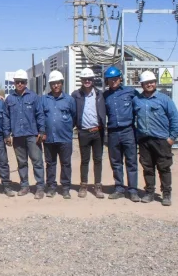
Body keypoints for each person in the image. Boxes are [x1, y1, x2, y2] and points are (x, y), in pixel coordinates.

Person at [133, 71, 178, 206]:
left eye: (151, 82)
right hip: (144, 140)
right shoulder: (137, 100)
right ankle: (149, 192)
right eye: (146, 83)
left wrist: (172, 138)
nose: (149, 84)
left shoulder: (164, 99)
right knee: (147, 168)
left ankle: (166, 194)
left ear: (155, 83)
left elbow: (175, 119)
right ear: (142, 84)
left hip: (161, 140)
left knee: (164, 167)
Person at [5, 69, 46, 199]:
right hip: (17, 135)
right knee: (21, 162)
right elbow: (6, 117)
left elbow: (40, 115)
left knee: (37, 161)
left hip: (32, 135)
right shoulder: (10, 99)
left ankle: (40, 187)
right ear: (14, 83)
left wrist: (42, 131)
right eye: (17, 82)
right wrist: (7, 134)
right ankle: (24, 186)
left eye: (22, 82)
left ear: (26, 83)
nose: (20, 84)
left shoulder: (33, 97)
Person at [103, 66, 140, 202]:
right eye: (110, 80)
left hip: (128, 131)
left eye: (115, 79)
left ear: (120, 79)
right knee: (116, 162)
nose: (113, 82)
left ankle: (133, 190)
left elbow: (139, 109)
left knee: (131, 161)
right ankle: (119, 188)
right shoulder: (105, 96)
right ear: (107, 81)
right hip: (113, 132)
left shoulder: (130, 92)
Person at [71, 67, 106, 199]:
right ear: (81, 80)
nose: (87, 81)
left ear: (93, 80)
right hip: (83, 132)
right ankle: (83, 186)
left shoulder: (100, 94)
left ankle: (98, 186)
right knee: (84, 160)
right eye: (84, 79)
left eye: (89, 79)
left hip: (98, 131)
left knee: (98, 160)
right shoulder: (76, 95)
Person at [41, 71, 76, 199]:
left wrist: (66, 128)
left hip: (65, 137)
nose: (56, 85)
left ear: (62, 84)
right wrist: (43, 131)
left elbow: (74, 116)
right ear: (50, 84)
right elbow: (41, 117)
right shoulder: (44, 99)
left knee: (66, 163)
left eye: (58, 83)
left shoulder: (69, 100)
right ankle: (51, 187)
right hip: (49, 138)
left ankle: (65, 188)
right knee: (50, 163)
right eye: (53, 83)